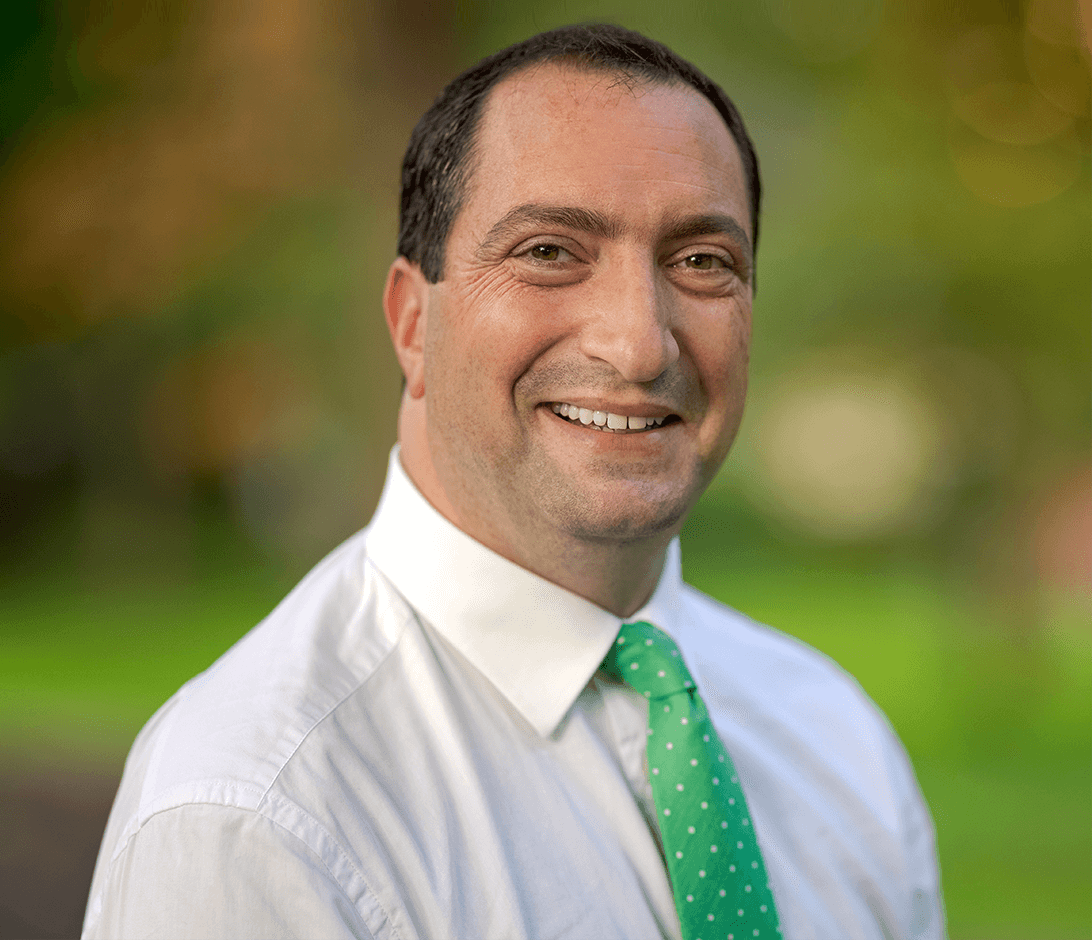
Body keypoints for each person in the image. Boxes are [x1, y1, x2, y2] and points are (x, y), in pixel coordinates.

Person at [83, 24, 944, 940]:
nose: (639, 342)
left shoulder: (834, 735)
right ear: (414, 325)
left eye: (701, 262)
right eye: (549, 252)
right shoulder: (258, 815)